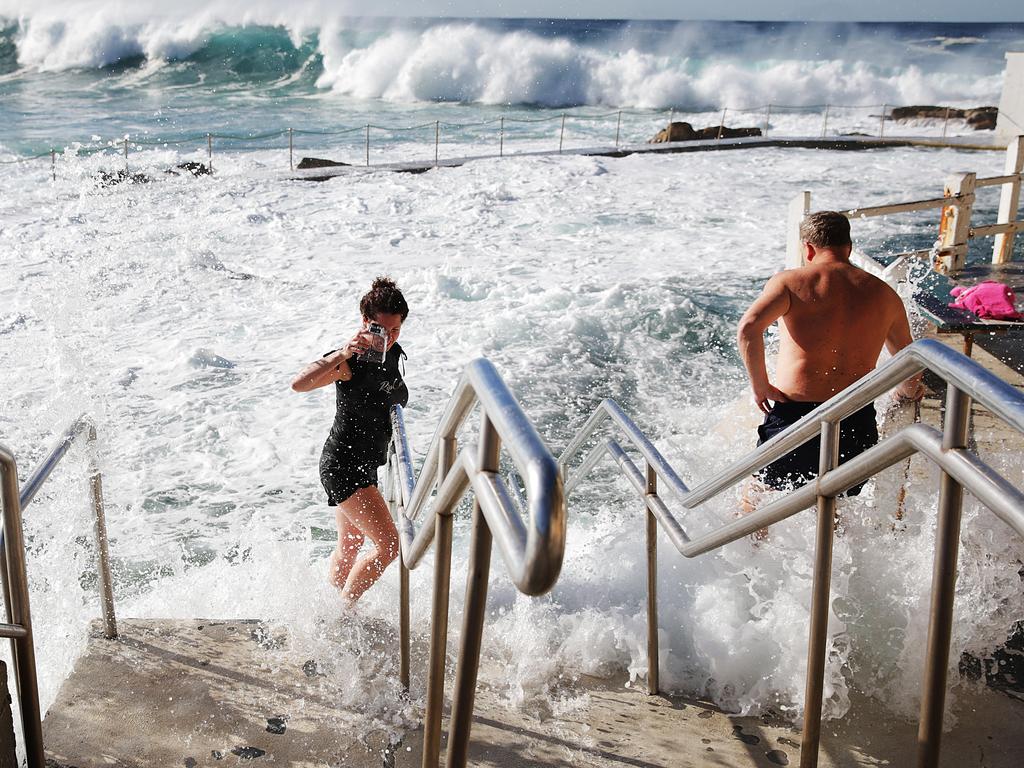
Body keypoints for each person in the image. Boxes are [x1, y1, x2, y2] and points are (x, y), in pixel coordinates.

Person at [737, 211, 925, 497]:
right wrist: (907, 393)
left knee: (758, 497)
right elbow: (908, 358)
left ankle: (748, 544)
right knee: (835, 504)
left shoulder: (791, 283)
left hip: (796, 417)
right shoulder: (884, 294)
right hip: (855, 415)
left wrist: (760, 385)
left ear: (809, 248)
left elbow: (749, 328)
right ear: (848, 247)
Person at [292, 277, 409, 603]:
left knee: (350, 544)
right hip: (343, 467)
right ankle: (343, 615)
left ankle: (328, 606)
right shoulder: (350, 362)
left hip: (365, 466)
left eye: (395, 330)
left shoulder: (393, 354)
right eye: (380, 329)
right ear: (365, 323)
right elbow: (299, 384)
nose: (387, 338)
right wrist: (341, 353)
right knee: (389, 546)